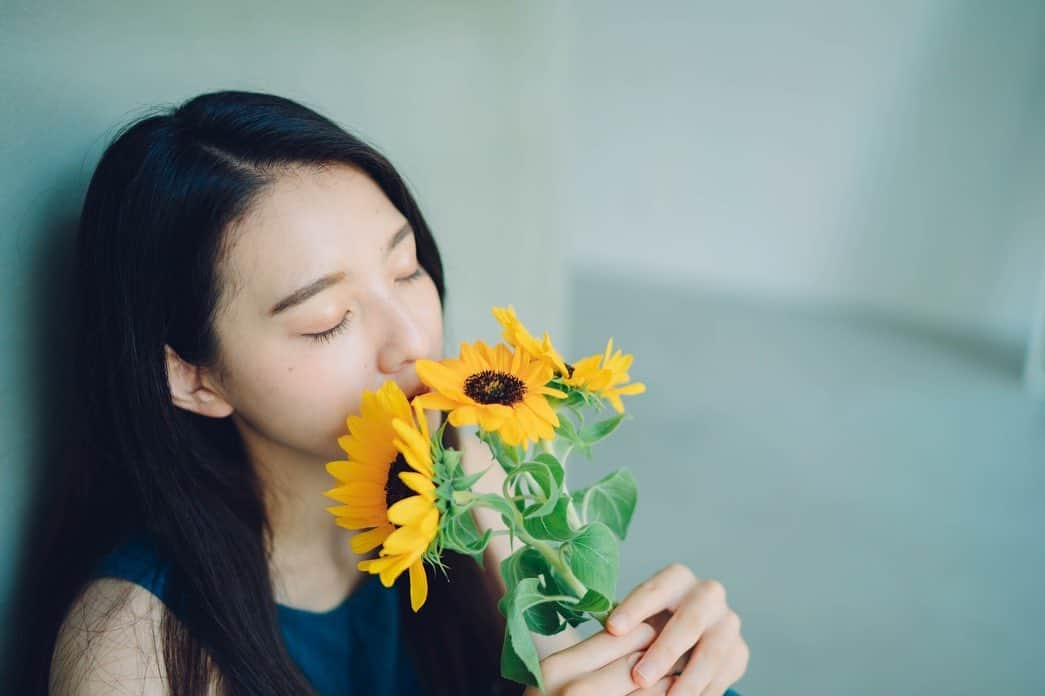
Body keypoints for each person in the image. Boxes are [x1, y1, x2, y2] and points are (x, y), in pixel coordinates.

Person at [18, 90, 748, 695]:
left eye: (406, 271)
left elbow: (562, 664)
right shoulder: (133, 654)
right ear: (191, 376)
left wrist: (665, 663)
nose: (411, 340)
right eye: (327, 320)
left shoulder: (469, 472)